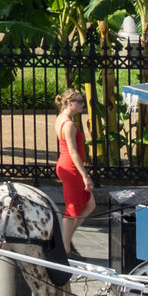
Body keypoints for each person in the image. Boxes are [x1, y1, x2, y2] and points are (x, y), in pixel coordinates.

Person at [53, 87, 94, 250]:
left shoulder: (62, 118)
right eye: (79, 101)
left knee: (89, 205)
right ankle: (65, 245)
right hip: (71, 167)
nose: (82, 104)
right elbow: (72, 151)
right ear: (69, 103)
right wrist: (85, 175)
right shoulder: (68, 124)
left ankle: (66, 239)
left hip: (67, 165)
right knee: (72, 208)